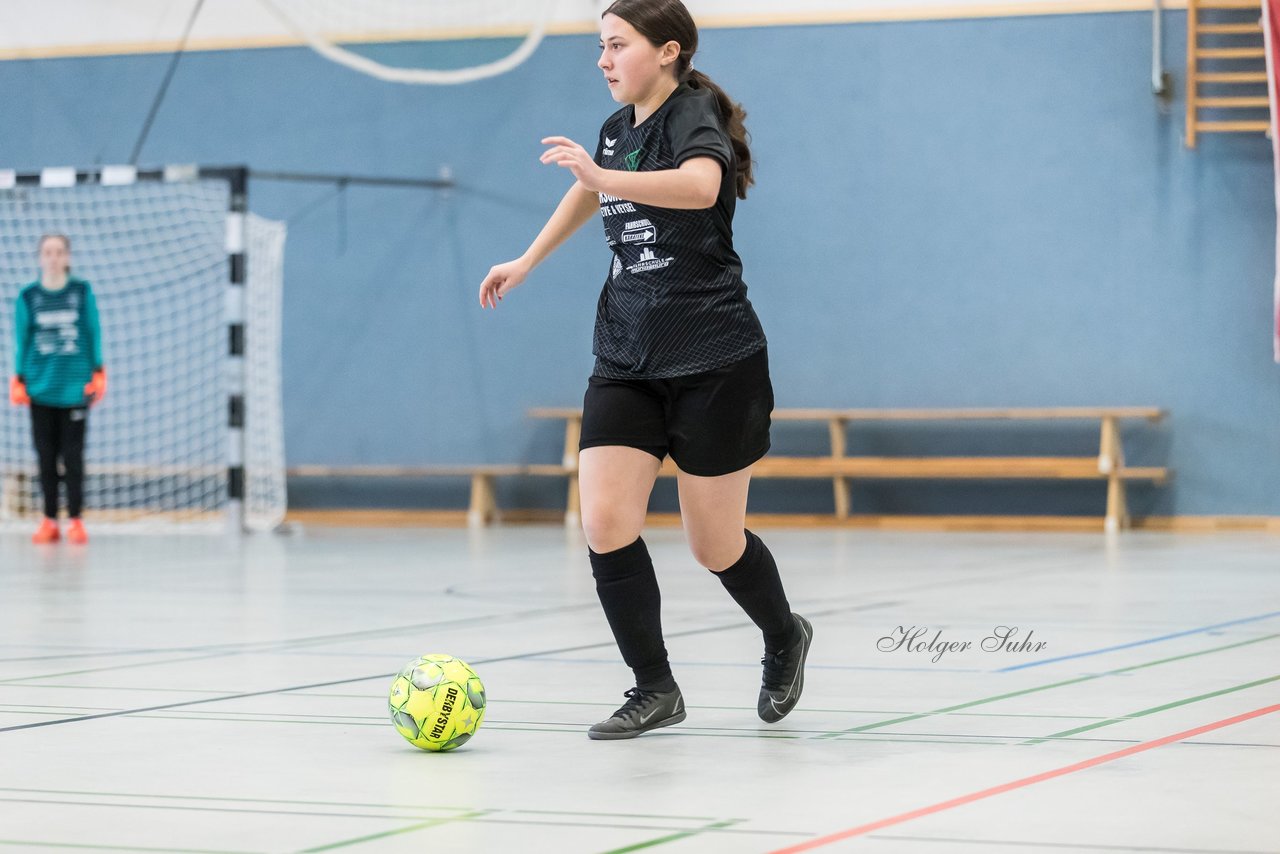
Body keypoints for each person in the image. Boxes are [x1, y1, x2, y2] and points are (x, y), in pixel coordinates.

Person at [478, 0, 812, 739]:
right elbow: (589, 188)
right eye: (599, 46)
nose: (603, 60)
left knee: (714, 545)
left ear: (667, 51)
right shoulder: (615, 131)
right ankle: (654, 686)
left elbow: (698, 187)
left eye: (616, 45)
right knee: (603, 520)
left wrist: (603, 173)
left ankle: (784, 634)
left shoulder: (693, 116)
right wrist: (528, 259)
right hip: (627, 355)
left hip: (714, 358)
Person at [9, 233, 106, 545]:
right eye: (47, 252)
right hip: (40, 388)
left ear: (67, 257)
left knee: (73, 457)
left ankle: (75, 519)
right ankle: (50, 519)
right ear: (40, 257)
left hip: (75, 388)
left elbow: (93, 331)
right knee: (45, 457)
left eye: (58, 252)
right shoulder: (28, 296)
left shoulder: (81, 291)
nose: (53, 257)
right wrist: (18, 377)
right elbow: (21, 339)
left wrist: (99, 370)